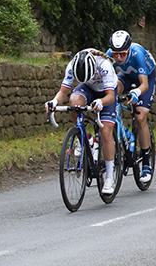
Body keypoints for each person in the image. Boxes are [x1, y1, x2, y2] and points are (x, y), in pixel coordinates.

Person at [46, 49, 119, 194]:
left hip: (106, 93)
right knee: (74, 102)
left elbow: (110, 96)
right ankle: (85, 137)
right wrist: (54, 101)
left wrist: (100, 101)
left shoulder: (104, 65)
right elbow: (63, 92)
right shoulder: (72, 65)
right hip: (88, 88)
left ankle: (110, 177)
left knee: (105, 132)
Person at [106, 30, 155, 183]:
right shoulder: (109, 54)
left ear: (128, 50)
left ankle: (146, 163)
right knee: (112, 92)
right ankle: (123, 131)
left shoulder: (137, 53)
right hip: (126, 76)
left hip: (146, 78)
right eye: (115, 54)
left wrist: (136, 92)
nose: (118, 57)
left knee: (140, 117)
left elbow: (144, 85)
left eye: (122, 54)